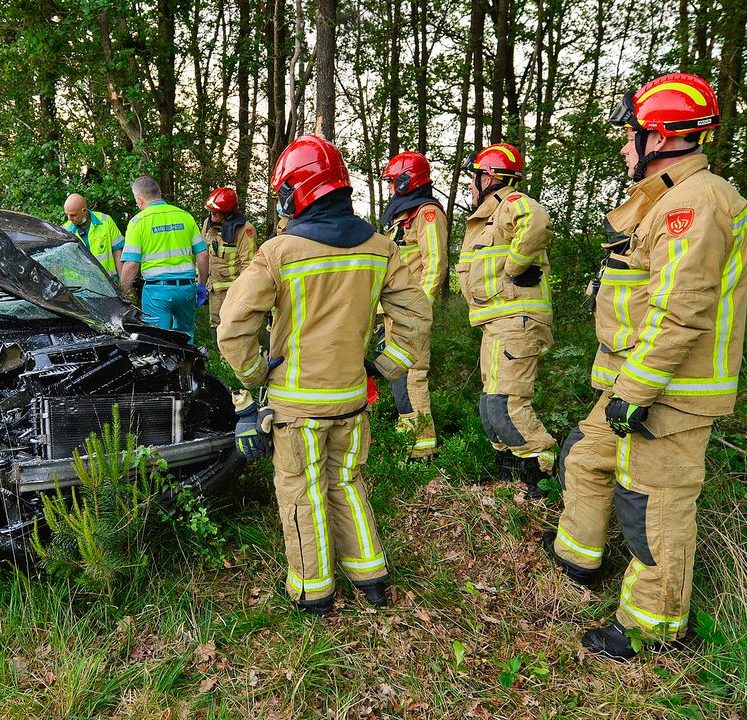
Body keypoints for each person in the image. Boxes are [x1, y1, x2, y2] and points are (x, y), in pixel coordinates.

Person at [545, 72, 747, 660]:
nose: (622, 145)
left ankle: (651, 625)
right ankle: (578, 556)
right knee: (586, 458)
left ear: (659, 137)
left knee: (655, 504)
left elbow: (680, 311)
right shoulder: (667, 197)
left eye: (629, 134)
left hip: (670, 390)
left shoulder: (696, 203)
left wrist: (633, 391)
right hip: (635, 378)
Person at [217, 135, 432, 615]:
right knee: (347, 483)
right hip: (353, 397)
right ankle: (371, 576)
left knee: (302, 490)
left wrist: (255, 376)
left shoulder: (279, 251)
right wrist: (386, 366)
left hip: (297, 405)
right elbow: (416, 316)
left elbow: (232, 328)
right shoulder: (380, 248)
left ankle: (314, 590)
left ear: (299, 192)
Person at [456, 143, 556, 498]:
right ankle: (511, 474)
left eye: (474, 177)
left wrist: (514, 267)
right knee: (491, 404)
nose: (470, 185)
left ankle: (542, 475)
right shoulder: (486, 218)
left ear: (491, 177)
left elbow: (538, 221)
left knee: (507, 403)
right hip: (498, 323)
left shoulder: (510, 204)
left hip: (517, 321)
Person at [379, 151, 448, 460]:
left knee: (414, 375)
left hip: (411, 312)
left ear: (409, 180)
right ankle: (408, 431)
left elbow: (435, 261)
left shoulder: (427, 213)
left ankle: (423, 448)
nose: (391, 188)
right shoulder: (402, 214)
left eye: (395, 182)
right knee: (398, 374)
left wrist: (422, 308)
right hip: (394, 310)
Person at [118, 176, 209, 344]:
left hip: (157, 292)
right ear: (159, 193)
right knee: (186, 336)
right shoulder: (184, 216)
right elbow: (203, 254)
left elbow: (131, 265)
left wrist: (122, 294)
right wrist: (201, 285)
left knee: (158, 340)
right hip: (187, 289)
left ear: (139, 199)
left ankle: (167, 369)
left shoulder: (138, 222)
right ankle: (187, 368)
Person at [201, 186, 257, 339]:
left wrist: (242, 294)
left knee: (235, 327)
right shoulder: (208, 224)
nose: (212, 216)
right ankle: (219, 359)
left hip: (235, 292)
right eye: (211, 212)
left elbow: (249, 266)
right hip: (214, 289)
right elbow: (204, 255)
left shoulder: (245, 230)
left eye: (216, 213)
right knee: (215, 323)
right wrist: (200, 281)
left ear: (228, 212)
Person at [63, 193, 124, 281]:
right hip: (83, 288)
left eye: (73, 215)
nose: (69, 218)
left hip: (109, 284)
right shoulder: (65, 230)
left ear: (83, 211)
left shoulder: (105, 221)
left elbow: (118, 253)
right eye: (67, 214)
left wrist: (124, 286)